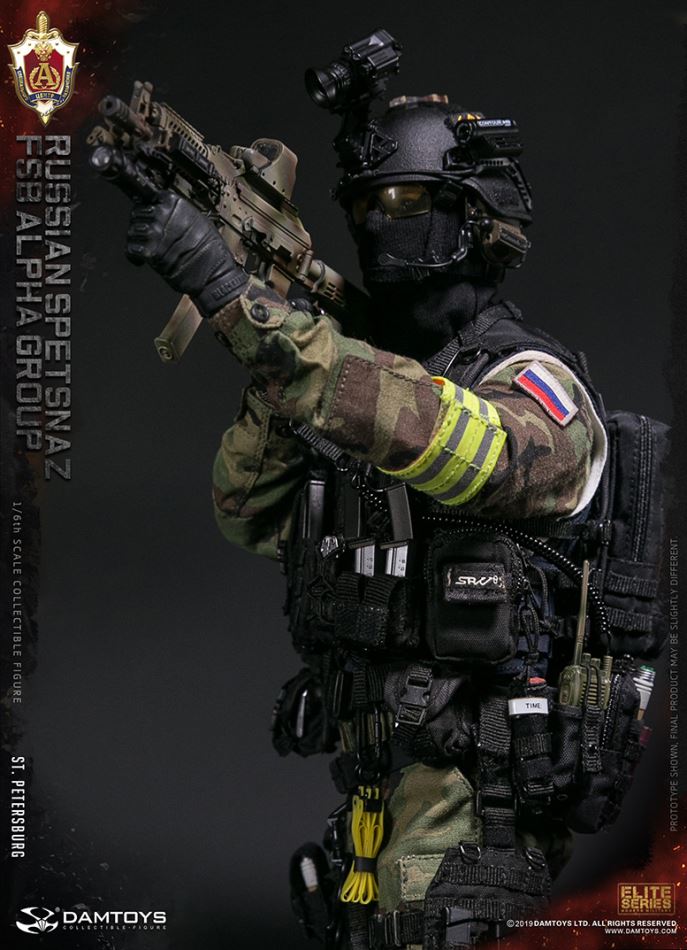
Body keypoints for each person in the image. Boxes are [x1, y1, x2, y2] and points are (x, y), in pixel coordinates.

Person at [120, 69, 662, 950]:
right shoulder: (367, 378)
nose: (377, 222)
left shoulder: (533, 381)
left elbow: (465, 449)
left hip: (477, 802)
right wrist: (280, 355)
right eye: (364, 203)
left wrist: (248, 311)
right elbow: (250, 511)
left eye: (405, 199)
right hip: (375, 788)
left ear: (473, 214)